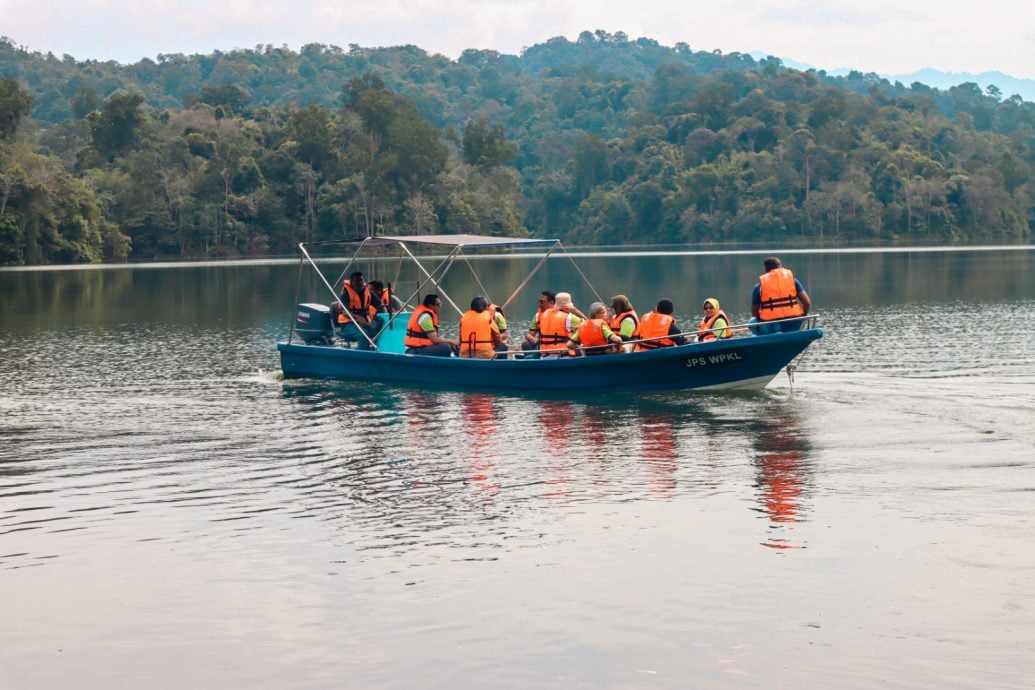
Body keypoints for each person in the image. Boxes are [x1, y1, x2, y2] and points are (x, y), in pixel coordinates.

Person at [750, 257, 811, 334]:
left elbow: (754, 313)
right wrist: (803, 315)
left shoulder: (759, 286)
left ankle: (765, 339)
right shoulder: (793, 281)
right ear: (780, 267)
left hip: (770, 325)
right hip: (794, 322)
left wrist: (764, 318)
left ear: (766, 270)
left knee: (752, 322)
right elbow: (807, 303)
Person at [335, 271, 384, 348]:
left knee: (379, 331)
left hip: (364, 323)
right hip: (348, 324)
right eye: (356, 281)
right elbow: (345, 312)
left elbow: (379, 305)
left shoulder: (368, 292)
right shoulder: (346, 294)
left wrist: (377, 318)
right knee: (363, 335)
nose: (359, 283)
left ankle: (378, 352)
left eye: (361, 280)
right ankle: (363, 356)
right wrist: (358, 318)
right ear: (351, 282)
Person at [538, 292, 584, 357]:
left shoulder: (546, 313)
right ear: (568, 307)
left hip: (543, 356)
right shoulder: (569, 317)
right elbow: (588, 325)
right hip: (562, 356)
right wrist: (576, 311)